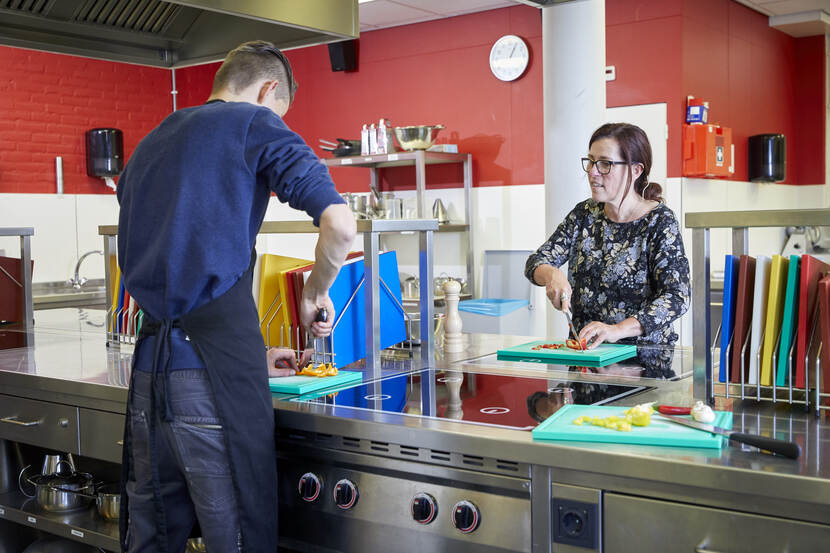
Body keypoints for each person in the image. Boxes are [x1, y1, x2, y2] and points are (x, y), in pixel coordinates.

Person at [116, 41, 356, 553]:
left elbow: (179, 266)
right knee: (238, 540)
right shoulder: (253, 122)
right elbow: (340, 224)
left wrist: (254, 356)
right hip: (211, 390)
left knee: (151, 540)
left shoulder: (153, 140)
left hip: (150, 376)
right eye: (280, 110)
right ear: (269, 89)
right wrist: (314, 290)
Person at [525, 122, 690, 350]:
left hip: (644, 361)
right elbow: (536, 261)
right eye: (591, 161)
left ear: (636, 170)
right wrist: (552, 275)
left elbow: (676, 297)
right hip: (587, 357)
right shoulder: (584, 214)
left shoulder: (659, 221)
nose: (593, 172)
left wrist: (617, 330)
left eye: (605, 164)